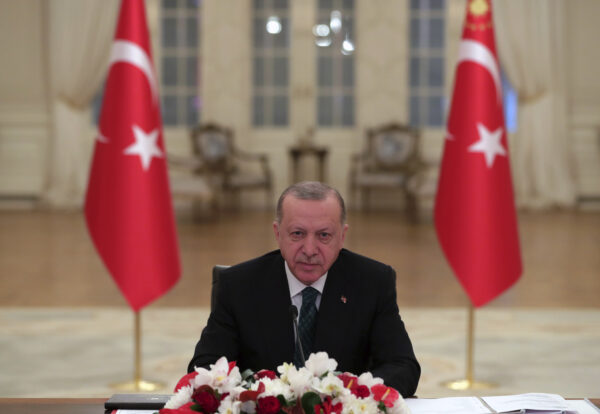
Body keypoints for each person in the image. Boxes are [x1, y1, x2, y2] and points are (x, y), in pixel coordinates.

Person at [188, 181, 420, 397]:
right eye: (297, 234)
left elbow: (402, 367)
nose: (310, 249)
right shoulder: (238, 285)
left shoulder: (373, 282)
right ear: (278, 234)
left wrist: (345, 396)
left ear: (342, 237)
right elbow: (205, 369)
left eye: (324, 235)